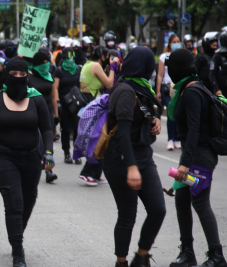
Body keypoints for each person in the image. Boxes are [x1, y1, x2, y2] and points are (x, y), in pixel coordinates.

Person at [0, 56, 54, 267]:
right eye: (13, 74)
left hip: (31, 157)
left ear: (27, 75)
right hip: (4, 156)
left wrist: (49, 152)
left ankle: (16, 233)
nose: (18, 78)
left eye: (22, 74)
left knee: (28, 200)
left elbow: (46, 128)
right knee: (14, 203)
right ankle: (18, 251)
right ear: (7, 74)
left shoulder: (37, 99)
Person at [102, 46, 165, 267]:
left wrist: (155, 120)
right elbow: (125, 135)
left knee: (158, 209)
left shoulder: (142, 87)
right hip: (121, 158)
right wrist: (131, 167)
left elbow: (147, 112)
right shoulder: (126, 91)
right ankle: (121, 262)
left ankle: (141, 256)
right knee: (128, 214)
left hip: (144, 157)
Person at [166, 48, 227, 267]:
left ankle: (217, 256)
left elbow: (193, 130)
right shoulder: (190, 87)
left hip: (200, 157)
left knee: (200, 203)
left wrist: (184, 164)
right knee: (182, 201)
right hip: (193, 155)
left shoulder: (192, 91)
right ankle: (187, 253)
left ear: (178, 69)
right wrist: (180, 174)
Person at [76, 46, 117, 186]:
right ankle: (87, 173)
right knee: (98, 140)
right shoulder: (95, 65)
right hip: (95, 107)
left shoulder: (88, 64)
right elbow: (110, 83)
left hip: (90, 105)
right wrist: (112, 67)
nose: (108, 59)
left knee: (100, 139)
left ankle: (96, 173)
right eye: (107, 57)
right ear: (103, 56)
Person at [27, 51, 59, 183]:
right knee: (37, 140)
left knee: (47, 139)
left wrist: (56, 115)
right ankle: (34, 166)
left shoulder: (49, 76)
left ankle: (48, 169)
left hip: (48, 112)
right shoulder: (28, 78)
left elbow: (53, 96)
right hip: (34, 112)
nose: (47, 65)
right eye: (44, 63)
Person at [54, 47, 82, 165]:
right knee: (65, 129)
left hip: (77, 104)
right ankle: (66, 152)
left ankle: (77, 153)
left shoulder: (79, 69)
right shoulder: (59, 70)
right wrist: (57, 102)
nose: (70, 57)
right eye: (67, 55)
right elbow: (55, 87)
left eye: (72, 54)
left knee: (77, 129)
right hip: (65, 104)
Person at [156, 34, 182, 151]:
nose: (176, 43)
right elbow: (160, 75)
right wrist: (158, 91)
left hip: (179, 88)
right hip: (167, 89)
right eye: (174, 42)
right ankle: (170, 139)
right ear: (170, 43)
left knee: (178, 113)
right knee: (171, 112)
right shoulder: (164, 56)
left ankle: (177, 138)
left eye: (178, 41)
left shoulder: (182, 56)